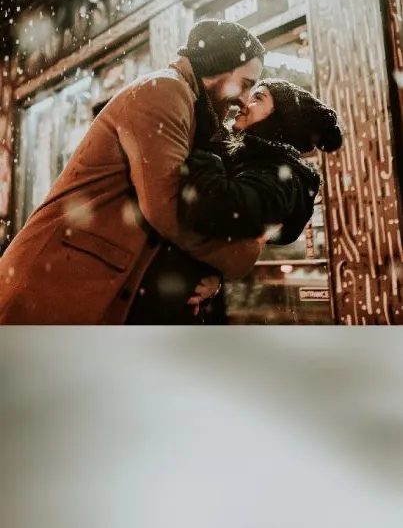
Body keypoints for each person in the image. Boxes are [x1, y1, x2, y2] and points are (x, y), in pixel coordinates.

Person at [0, 19, 265, 324]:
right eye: (245, 84)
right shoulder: (166, 91)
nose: (245, 99)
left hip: (80, 289)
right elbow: (166, 208)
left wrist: (211, 274)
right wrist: (240, 254)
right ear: (219, 66)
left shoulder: (191, 108)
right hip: (53, 286)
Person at [128, 78, 343, 324]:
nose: (244, 102)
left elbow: (215, 209)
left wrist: (205, 141)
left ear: (279, 121)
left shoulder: (280, 177)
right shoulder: (250, 163)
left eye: (257, 98)